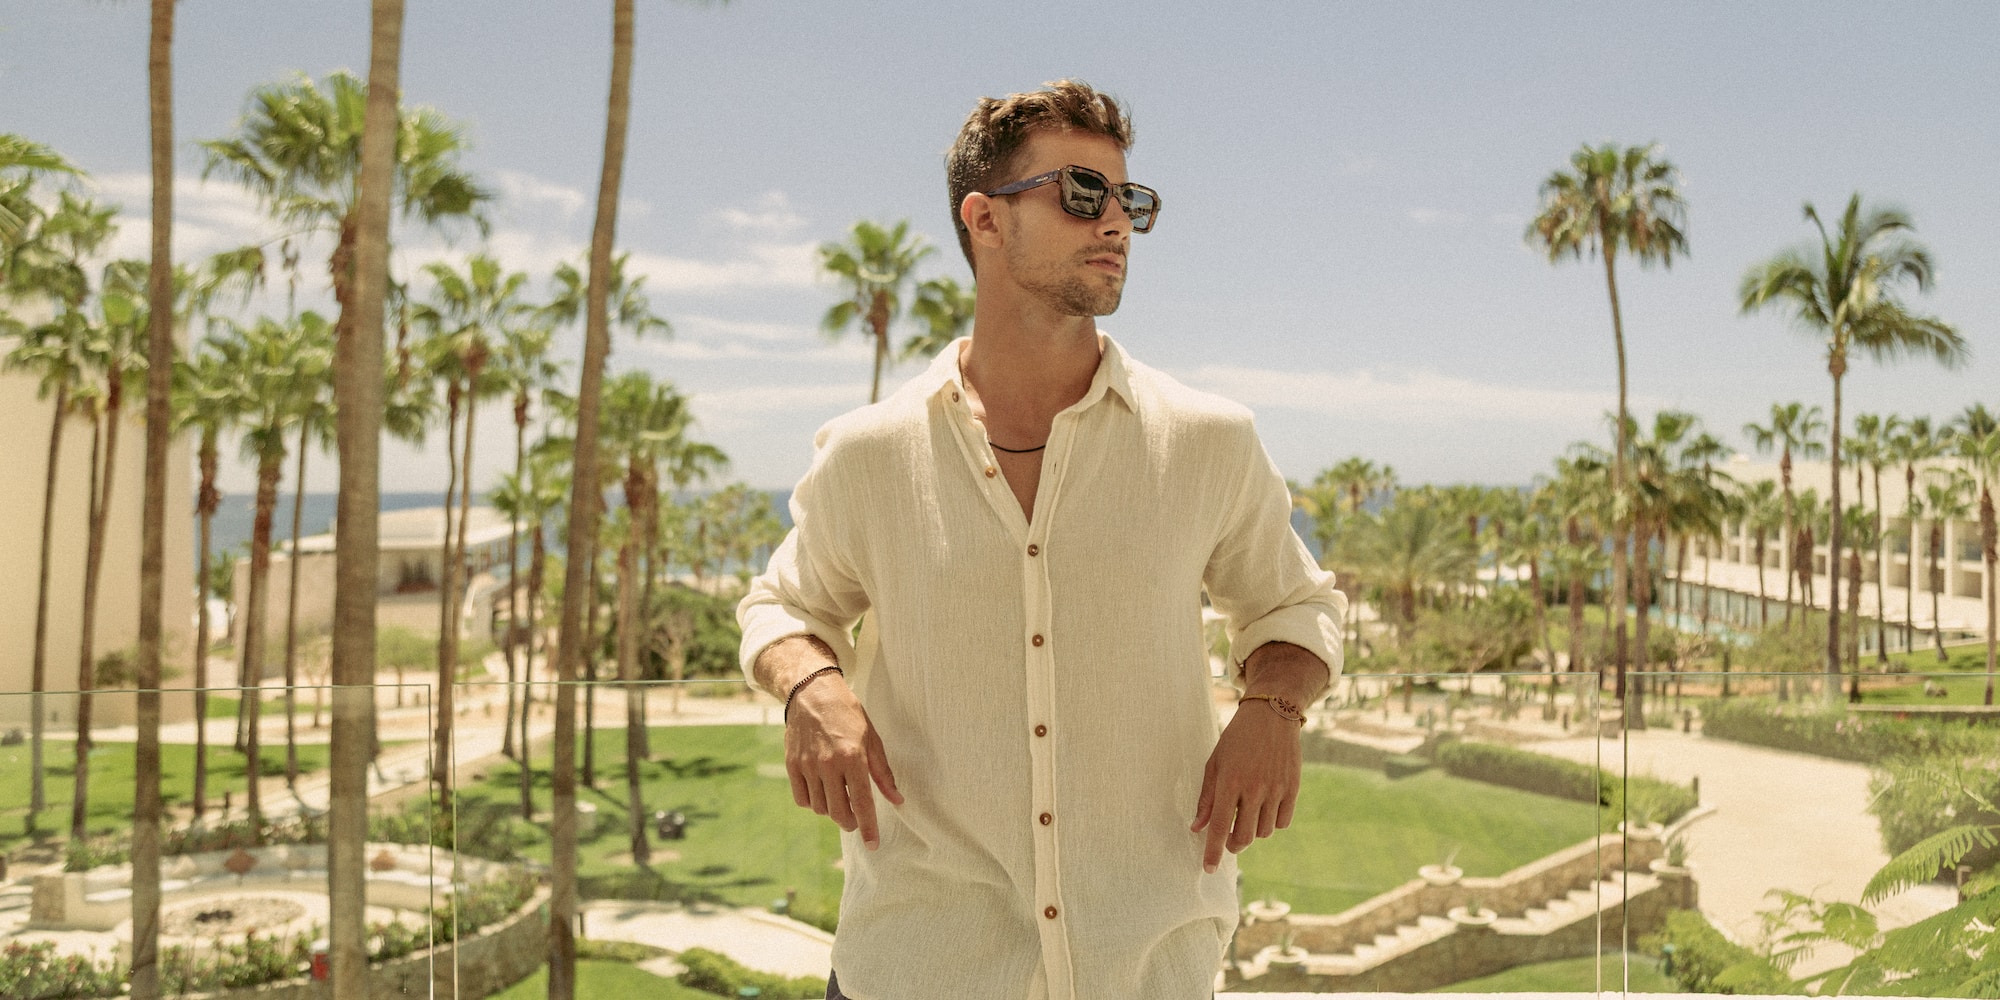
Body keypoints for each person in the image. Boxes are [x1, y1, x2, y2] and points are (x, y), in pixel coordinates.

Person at [737, 79, 1345, 1000]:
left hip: (1149, 969)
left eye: (1129, 200)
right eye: (1081, 193)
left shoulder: (1209, 440)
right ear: (985, 219)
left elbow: (1296, 606)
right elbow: (779, 604)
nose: (1116, 224)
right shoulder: (870, 453)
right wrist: (810, 685)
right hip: (917, 967)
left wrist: (1274, 709)